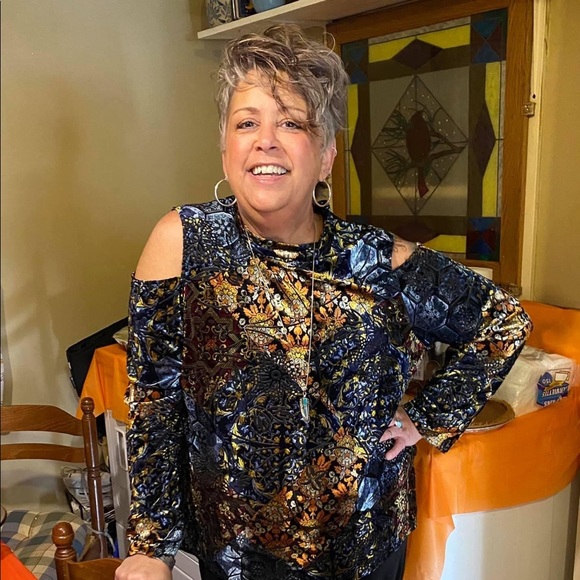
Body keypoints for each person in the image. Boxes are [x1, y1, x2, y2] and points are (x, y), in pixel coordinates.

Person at [114, 24, 532, 580]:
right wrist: (152, 547)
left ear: (328, 156)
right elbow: (154, 402)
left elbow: (501, 321)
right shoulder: (182, 242)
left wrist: (425, 417)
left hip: (366, 546)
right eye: (247, 123)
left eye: (292, 122)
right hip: (239, 555)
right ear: (225, 146)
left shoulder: (376, 258)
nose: (265, 140)